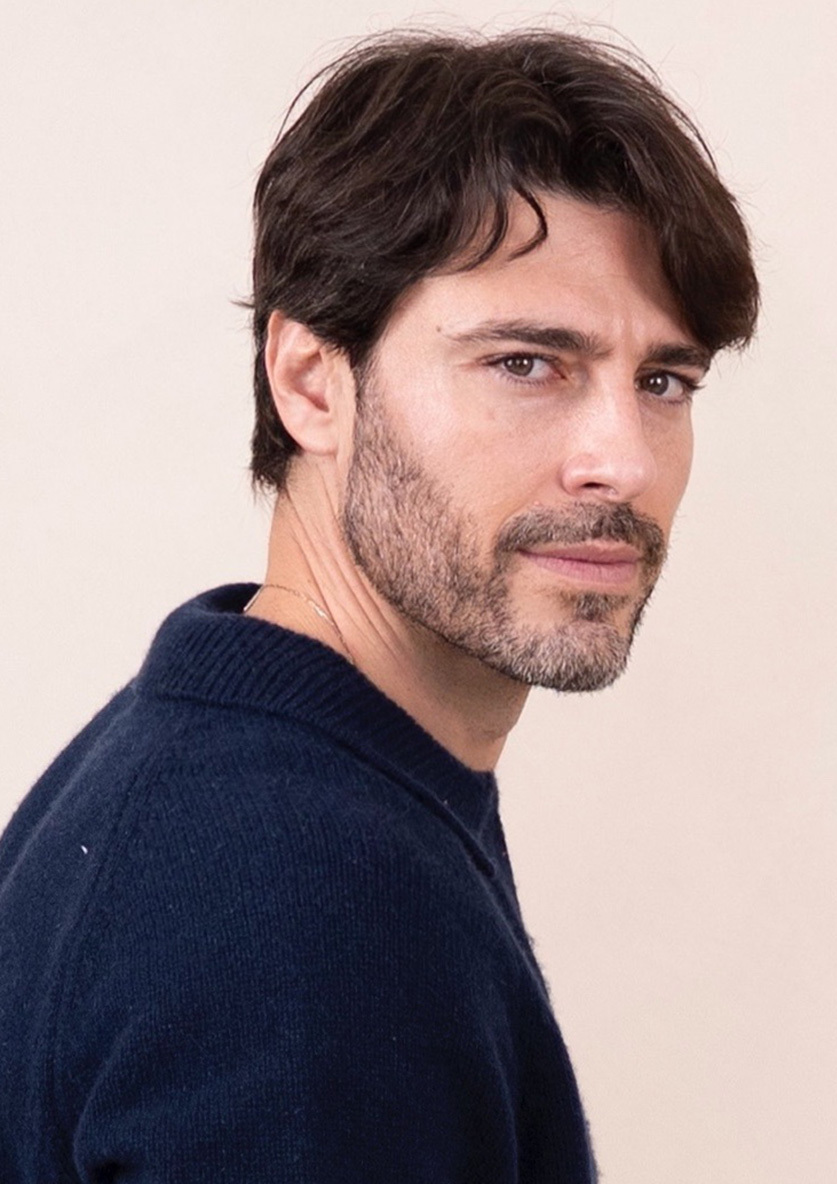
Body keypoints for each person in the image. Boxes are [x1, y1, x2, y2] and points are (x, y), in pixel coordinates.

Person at [0, 28, 758, 1183]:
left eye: (662, 380)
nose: (620, 460)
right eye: (525, 363)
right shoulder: (297, 905)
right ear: (310, 382)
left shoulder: (249, 764)